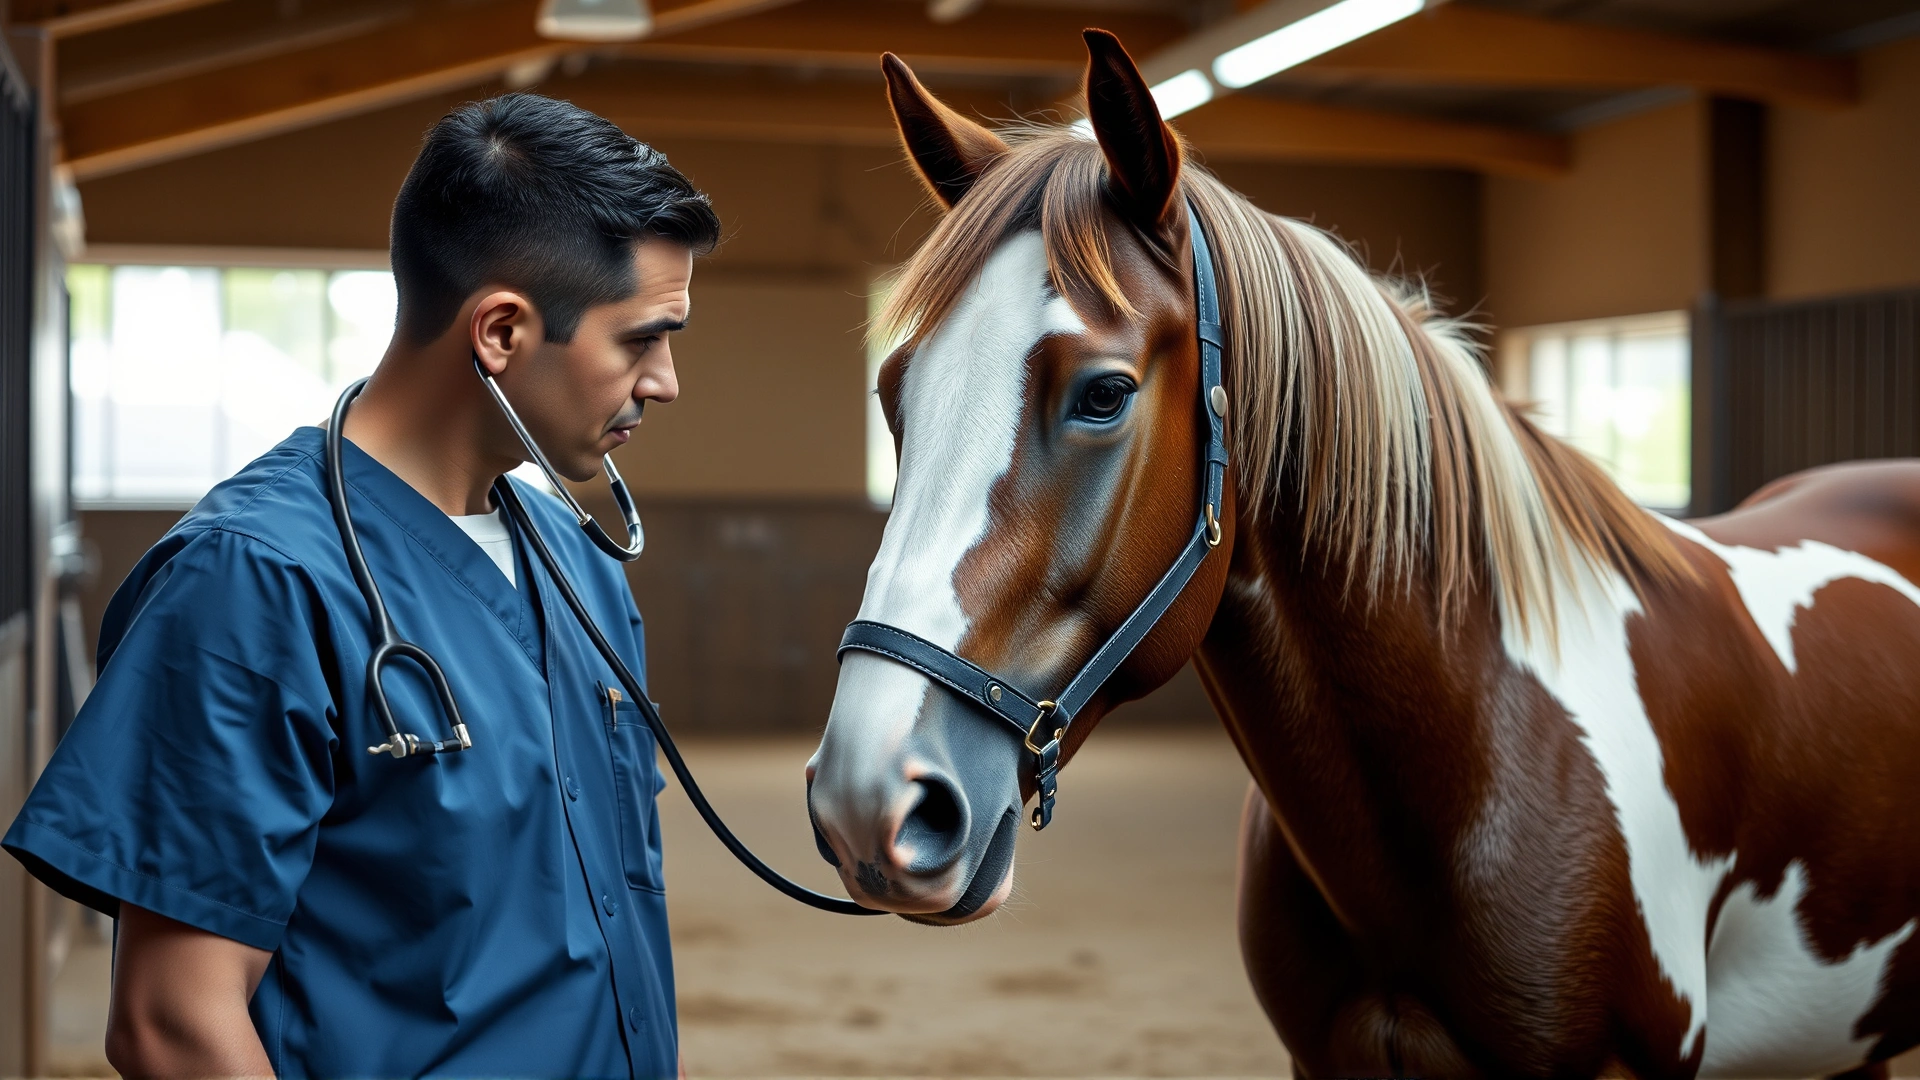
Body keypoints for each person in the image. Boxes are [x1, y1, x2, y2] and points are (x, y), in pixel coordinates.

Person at [3, 92, 719, 1078]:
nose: (667, 380)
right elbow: (174, 1025)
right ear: (502, 331)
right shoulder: (254, 583)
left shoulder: (579, 561)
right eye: (642, 338)